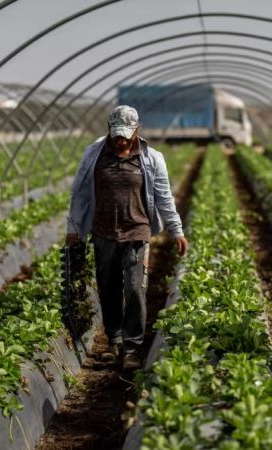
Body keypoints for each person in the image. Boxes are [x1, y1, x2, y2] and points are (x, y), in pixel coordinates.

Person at [66, 105, 188, 371]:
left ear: (136, 131)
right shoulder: (94, 155)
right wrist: (73, 227)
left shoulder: (151, 158)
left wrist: (176, 230)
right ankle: (114, 341)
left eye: (125, 134)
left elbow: (165, 197)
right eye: (116, 134)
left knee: (134, 289)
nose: (120, 140)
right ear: (109, 130)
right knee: (108, 288)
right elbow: (80, 195)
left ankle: (132, 348)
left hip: (137, 232)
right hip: (103, 232)